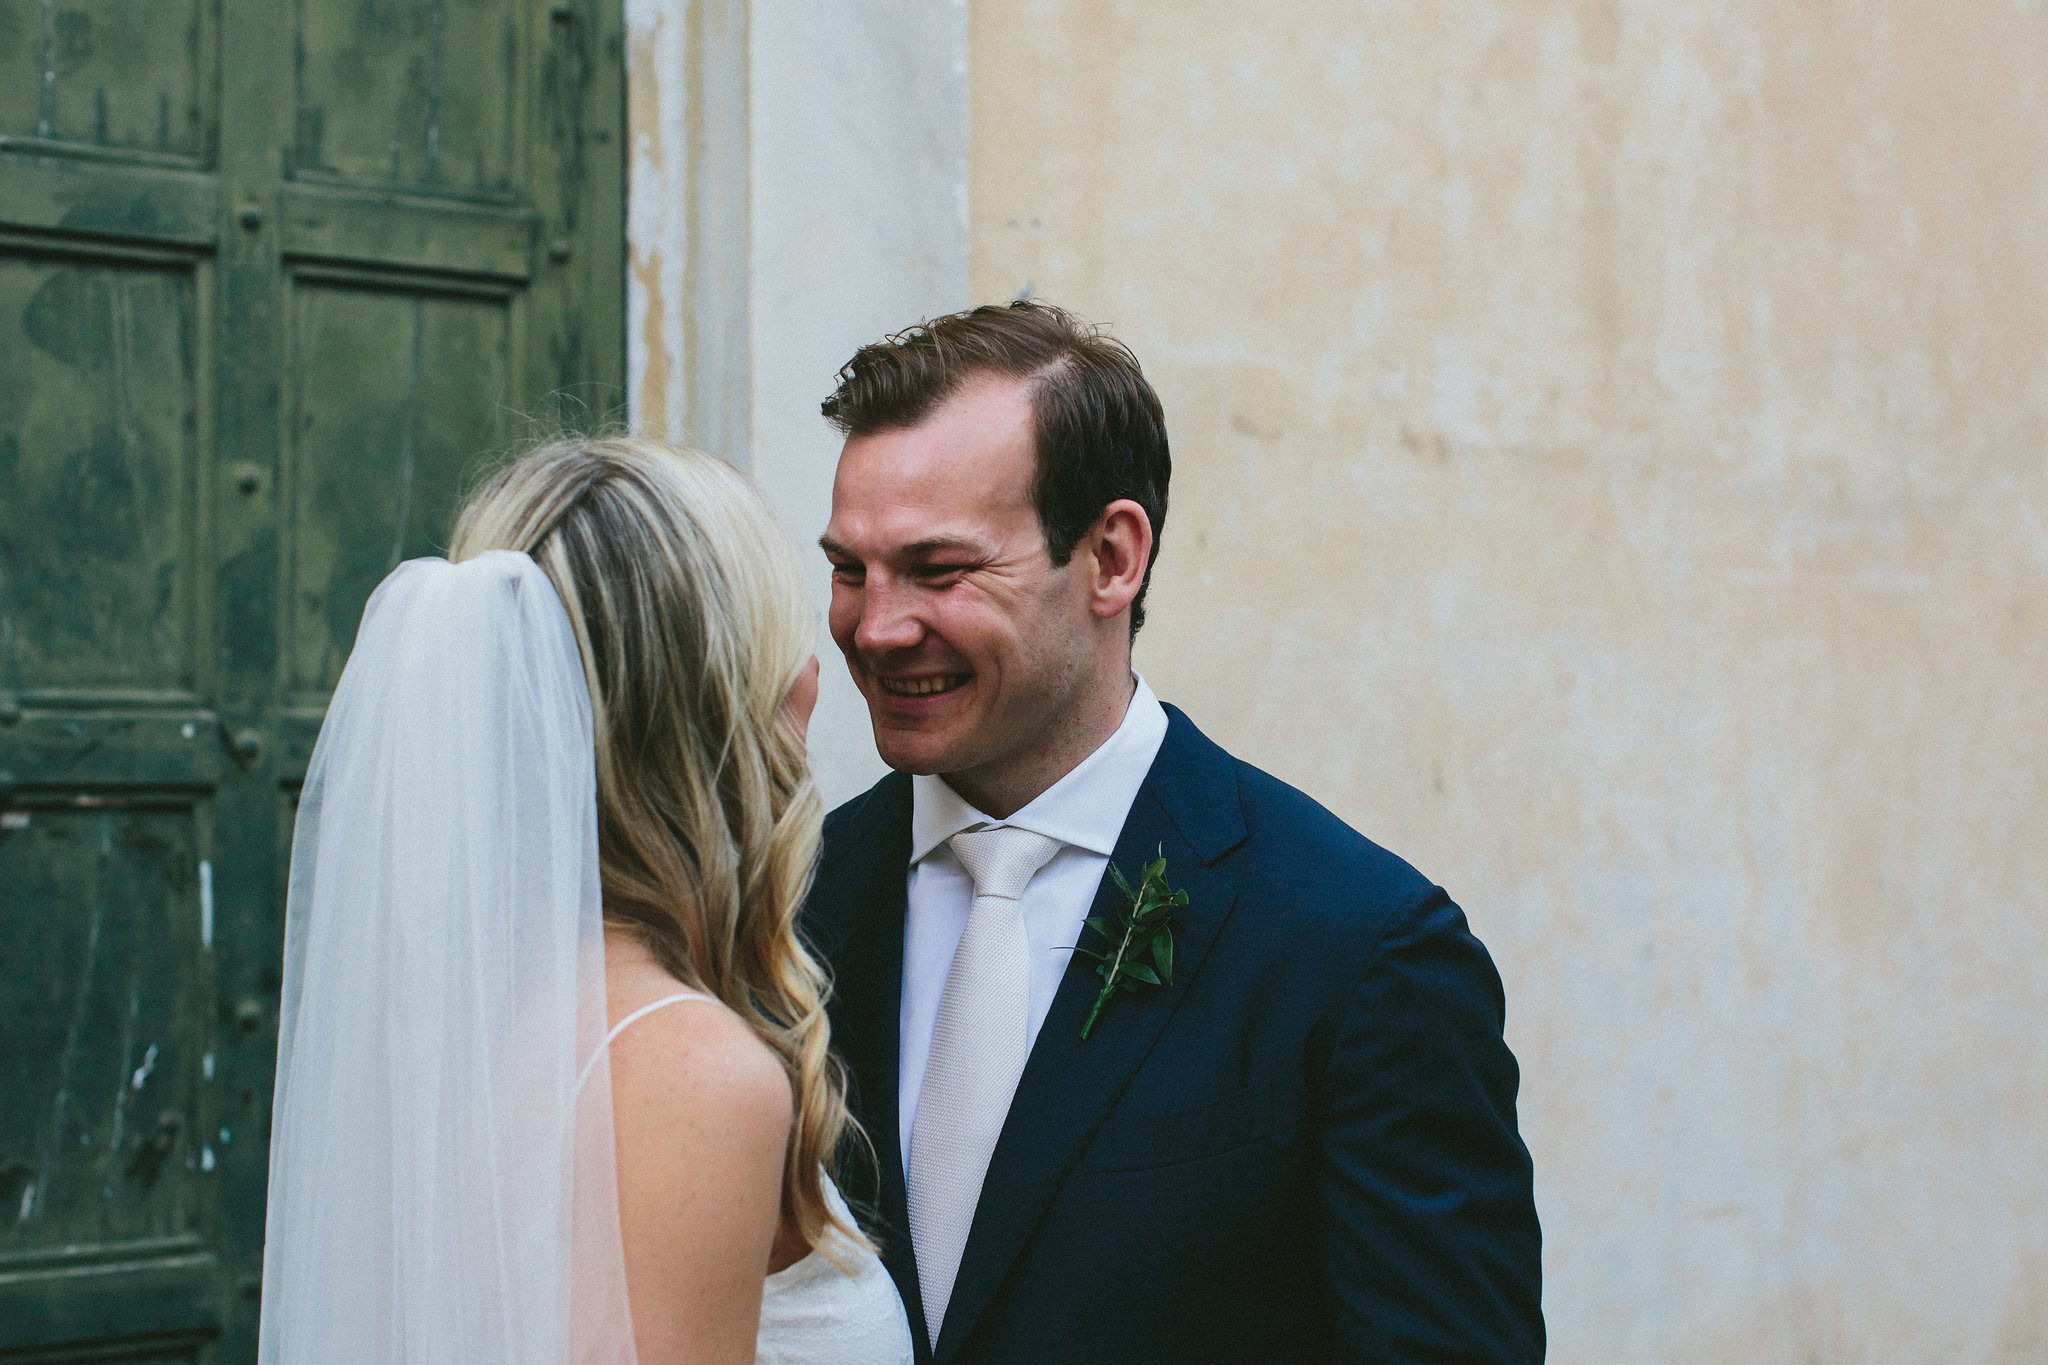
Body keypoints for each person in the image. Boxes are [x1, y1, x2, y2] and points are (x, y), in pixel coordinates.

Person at [806, 302, 1544, 1364]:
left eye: (938, 570)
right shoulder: (791, 904)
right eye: (848, 569)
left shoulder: (1353, 950)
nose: (874, 628)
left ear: (1111, 557)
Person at [258, 437, 914, 1365]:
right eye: (787, 639)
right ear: (724, 706)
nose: (814, 677)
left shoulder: (429, 1022)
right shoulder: (692, 1071)